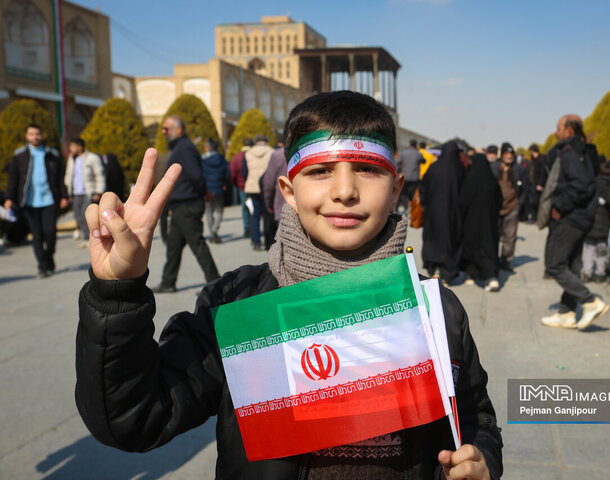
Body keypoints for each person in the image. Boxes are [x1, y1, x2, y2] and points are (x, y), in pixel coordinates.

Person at [75, 90, 503, 480]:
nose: (345, 190)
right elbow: (135, 419)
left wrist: (482, 458)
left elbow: (476, 418)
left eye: (367, 170)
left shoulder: (435, 311)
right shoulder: (236, 304)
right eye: (319, 171)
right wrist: (116, 293)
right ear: (288, 190)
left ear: (396, 191)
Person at [541, 115, 609, 331]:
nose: (556, 132)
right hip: (584, 217)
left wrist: (558, 206)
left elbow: (579, 185)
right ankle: (567, 312)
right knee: (571, 264)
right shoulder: (586, 151)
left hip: (571, 217)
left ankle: (590, 302)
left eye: (559, 128)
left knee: (555, 264)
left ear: (569, 131)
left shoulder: (569, 152)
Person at [153, 115, 220, 293]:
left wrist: (202, 193)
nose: (163, 132)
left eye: (166, 129)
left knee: (197, 244)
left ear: (179, 130)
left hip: (187, 205)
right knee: (173, 246)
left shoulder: (184, 148)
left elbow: (196, 175)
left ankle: (216, 284)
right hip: (179, 207)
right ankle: (168, 281)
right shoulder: (181, 148)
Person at [4, 124, 68, 277]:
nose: (35, 137)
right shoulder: (19, 155)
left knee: (50, 232)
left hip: (49, 200)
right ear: (27, 136)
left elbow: (60, 178)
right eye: (32, 134)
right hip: (29, 202)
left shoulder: (52, 154)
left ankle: (49, 257)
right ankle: (42, 266)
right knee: (37, 235)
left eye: (37, 133)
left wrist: (64, 196)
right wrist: (9, 198)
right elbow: (13, 179)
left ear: (42, 135)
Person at [420, 141, 466, 286]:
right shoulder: (460, 170)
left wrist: (426, 206)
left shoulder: (433, 168)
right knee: (450, 241)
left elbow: (423, 190)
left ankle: (434, 268)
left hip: (433, 214)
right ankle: (448, 273)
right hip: (453, 215)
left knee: (433, 240)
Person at [459, 151, 502, 291]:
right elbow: (499, 201)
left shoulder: (469, 181)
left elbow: (462, 202)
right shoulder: (492, 182)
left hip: (471, 223)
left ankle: (470, 274)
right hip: (489, 223)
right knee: (488, 248)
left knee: (471, 247)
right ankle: (491, 277)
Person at [64, 138, 106, 248]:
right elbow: (69, 176)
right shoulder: (72, 159)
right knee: (78, 216)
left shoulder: (92, 158)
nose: (70, 148)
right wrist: (68, 193)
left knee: (87, 214)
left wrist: (98, 191)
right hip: (76, 193)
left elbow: (99, 175)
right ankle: (87, 238)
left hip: (89, 192)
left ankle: (93, 238)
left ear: (80, 146)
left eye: (72, 146)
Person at [581, 162, 610, 283]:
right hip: (605, 218)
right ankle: (600, 273)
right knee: (602, 248)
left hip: (591, 217)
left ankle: (587, 272)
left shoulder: (593, 182)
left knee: (589, 247)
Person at [490, 143, 520, 273]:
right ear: (502, 155)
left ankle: (506, 260)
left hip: (512, 207)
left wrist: (520, 203)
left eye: (511, 154)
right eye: (506, 154)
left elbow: (524, 188)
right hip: (496, 207)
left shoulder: (518, 169)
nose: (509, 157)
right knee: (494, 235)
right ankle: (493, 259)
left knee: (509, 237)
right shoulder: (494, 168)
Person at [244, 134, 275, 250]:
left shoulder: (248, 153)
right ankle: (268, 242)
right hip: (267, 185)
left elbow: (244, 171)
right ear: (266, 141)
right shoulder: (272, 152)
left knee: (255, 214)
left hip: (252, 186)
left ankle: (256, 241)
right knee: (267, 215)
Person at [201, 138, 230, 243]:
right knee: (219, 211)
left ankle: (212, 233)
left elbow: (200, 175)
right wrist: (225, 183)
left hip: (207, 189)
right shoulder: (221, 159)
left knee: (208, 212)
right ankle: (214, 231)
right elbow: (227, 172)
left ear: (208, 148)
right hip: (219, 188)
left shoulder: (202, 160)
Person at [262, 146, 287, 247]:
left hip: (282, 203)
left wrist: (268, 203)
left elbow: (268, 182)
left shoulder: (277, 155)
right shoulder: (307, 148)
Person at [230, 138, 253, 238]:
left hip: (241, 186)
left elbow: (232, 172)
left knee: (244, 207)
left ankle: (247, 228)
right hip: (254, 186)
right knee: (254, 207)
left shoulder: (237, 157)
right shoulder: (253, 154)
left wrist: (236, 183)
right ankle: (254, 228)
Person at [396, 139, 424, 215]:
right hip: (415, 178)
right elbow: (423, 161)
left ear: (409, 144)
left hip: (405, 177)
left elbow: (397, 163)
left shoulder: (404, 153)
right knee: (411, 194)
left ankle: (403, 207)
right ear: (416, 145)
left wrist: (398, 171)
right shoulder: (419, 154)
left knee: (403, 192)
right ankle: (408, 207)